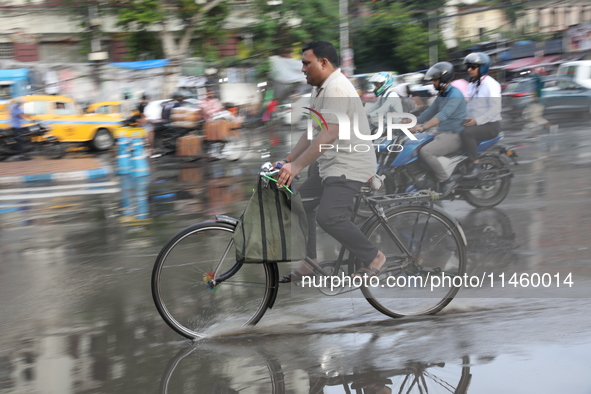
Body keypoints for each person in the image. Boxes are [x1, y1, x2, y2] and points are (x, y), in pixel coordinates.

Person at [276, 40, 386, 282]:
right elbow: (311, 132)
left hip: (350, 165)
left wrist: (296, 167)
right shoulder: (321, 88)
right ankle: (310, 261)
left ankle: (374, 257)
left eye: (306, 63)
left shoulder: (336, 88)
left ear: (323, 63)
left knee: (329, 217)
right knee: (298, 205)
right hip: (332, 164)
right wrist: (287, 160)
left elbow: (329, 133)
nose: (303, 69)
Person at [408, 62, 467, 197]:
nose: (433, 83)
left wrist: (422, 127)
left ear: (443, 79)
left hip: (454, 134)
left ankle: (447, 181)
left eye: (435, 80)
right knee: (414, 146)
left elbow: (442, 115)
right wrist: (408, 122)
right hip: (442, 132)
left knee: (426, 152)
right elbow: (428, 113)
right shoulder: (442, 95)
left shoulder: (455, 94)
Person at [460, 52, 502, 179]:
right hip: (477, 123)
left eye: (473, 67)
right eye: (468, 66)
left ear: (482, 67)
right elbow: (469, 106)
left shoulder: (491, 84)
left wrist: (477, 121)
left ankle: (476, 166)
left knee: (467, 133)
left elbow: (495, 109)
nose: (469, 69)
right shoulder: (472, 85)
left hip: (490, 126)